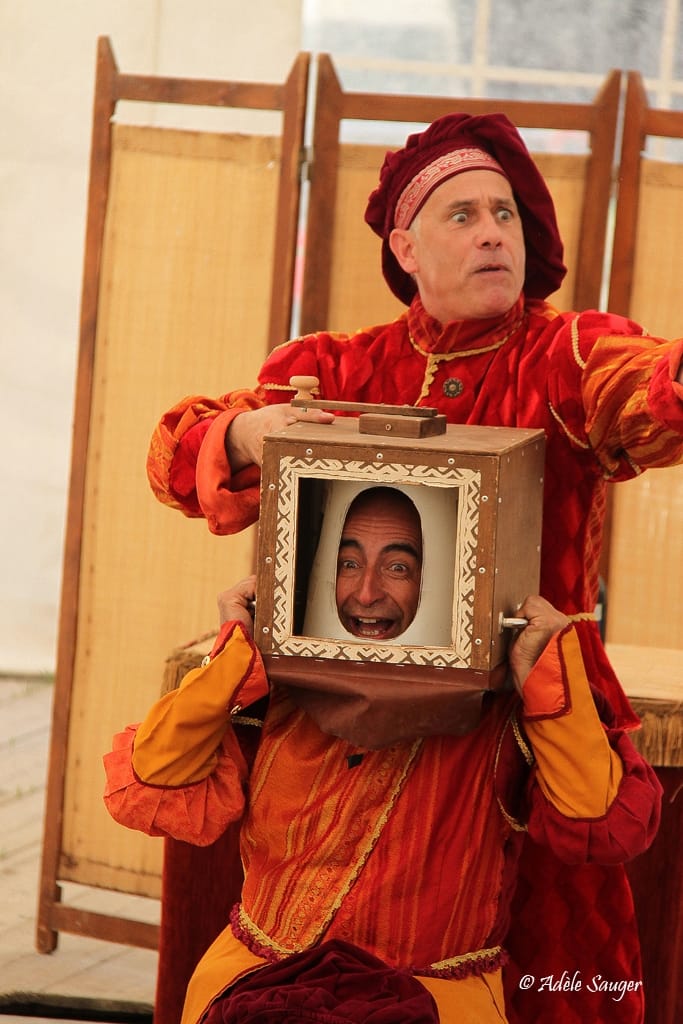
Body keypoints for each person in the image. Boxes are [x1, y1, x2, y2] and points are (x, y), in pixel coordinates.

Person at [143, 112, 683, 1022]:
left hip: (523, 720)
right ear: (404, 243)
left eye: (505, 215)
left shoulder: (567, 355)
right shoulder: (332, 368)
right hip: (333, 718)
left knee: (553, 968)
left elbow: (654, 388)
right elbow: (170, 459)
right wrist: (244, 431)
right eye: (463, 215)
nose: (491, 233)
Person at [104, 485, 661, 1024]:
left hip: (433, 1004)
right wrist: (235, 655)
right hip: (251, 997)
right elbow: (152, 784)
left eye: (398, 567)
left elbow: (601, 821)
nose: (366, 593)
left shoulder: (498, 709)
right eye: (347, 563)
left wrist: (543, 674)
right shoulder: (274, 687)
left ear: (443, 577)